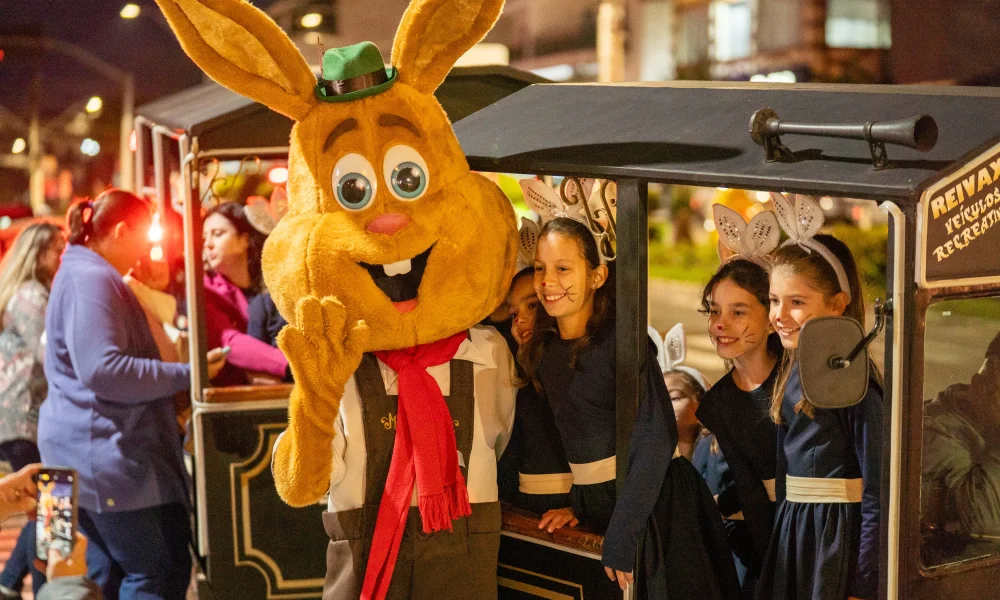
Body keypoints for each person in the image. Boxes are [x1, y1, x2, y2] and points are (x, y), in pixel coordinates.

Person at [38, 190, 226, 600]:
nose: (146, 252)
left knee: (86, 577)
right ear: (122, 231)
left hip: (71, 456)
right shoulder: (92, 277)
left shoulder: (77, 269)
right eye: (144, 238)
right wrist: (188, 375)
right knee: (159, 572)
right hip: (107, 462)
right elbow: (103, 370)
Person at [758, 195, 882, 600]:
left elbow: (878, 492)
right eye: (774, 300)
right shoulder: (792, 368)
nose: (779, 315)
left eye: (797, 303)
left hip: (833, 540)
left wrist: (863, 584)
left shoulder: (854, 380)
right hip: (796, 532)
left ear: (837, 304)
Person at [696, 258, 783, 599]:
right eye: (715, 311)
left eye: (738, 312)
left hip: (812, 529)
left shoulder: (795, 382)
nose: (721, 324)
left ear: (772, 319)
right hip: (765, 545)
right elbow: (749, 491)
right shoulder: (719, 404)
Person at [0, 222, 65, 599]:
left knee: (45, 504)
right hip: (26, 416)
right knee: (50, 506)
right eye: (58, 248)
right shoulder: (30, 295)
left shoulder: (32, 292)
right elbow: (50, 352)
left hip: (28, 416)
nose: (64, 254)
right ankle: (47, 590)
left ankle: (12, 583)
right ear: (38, 254)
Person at [497, 267, 575, 530]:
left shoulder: (577, 366)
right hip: (528, 510)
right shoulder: (524, 371)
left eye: (532, 305)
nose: (520, 319)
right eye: (513, 314)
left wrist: (581, 506)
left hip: (568, 511)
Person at [921, 330, 1000, 564]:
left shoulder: (986, 425)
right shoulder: (936, 433)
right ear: (978, 385)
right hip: (962, 569)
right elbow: (983, 523)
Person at [202, 202, 288, 385]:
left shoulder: (272, 280)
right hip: (238, 392)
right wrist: (290, 367)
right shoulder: (207, 290)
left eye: (217, 234)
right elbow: (229, 342)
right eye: (204, 238)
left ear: (244, 240)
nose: (208, 244)